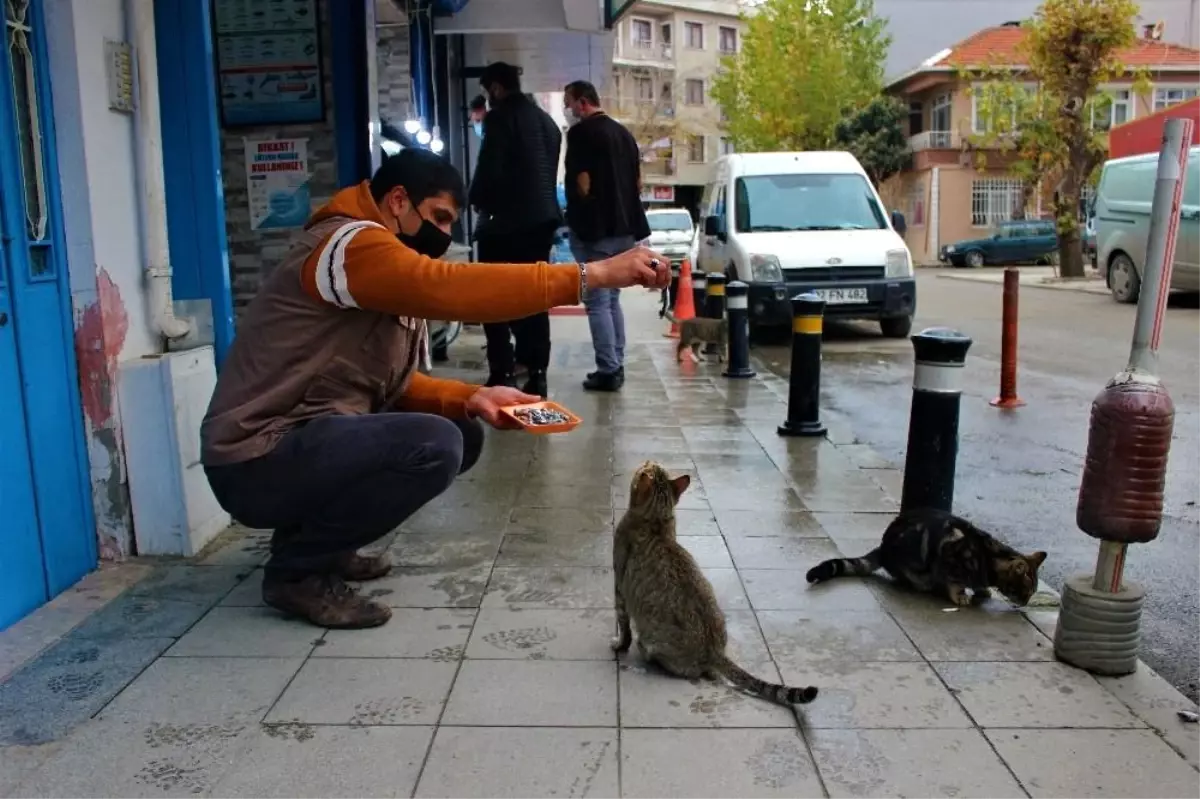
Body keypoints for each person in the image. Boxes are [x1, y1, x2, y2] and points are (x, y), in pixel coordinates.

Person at [201, 147, 667, 629]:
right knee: (433, 445)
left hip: (302, 443)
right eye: (439, 219)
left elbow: (391, 384)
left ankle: (322, 544)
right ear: (398, 200)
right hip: (254, 459)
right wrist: (592, 274)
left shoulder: (377, 261)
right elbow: (447, 287)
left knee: (460, 430)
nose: (445, 236)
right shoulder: (348, 244)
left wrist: (471, 398)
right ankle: (295, 574)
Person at [470, 62, 563, 397]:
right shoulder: (547, 123)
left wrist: (476, 198)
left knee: (492, 294)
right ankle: (536, 370)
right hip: (541, 222)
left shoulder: (500, 118)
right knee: (534, 295)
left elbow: (489, 169)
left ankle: (502, 371)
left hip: (503, 225)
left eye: (486, 92)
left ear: (495, 88)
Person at [563, 80, 651, 392]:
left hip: (596, 230)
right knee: (613, 299)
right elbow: (638, 184)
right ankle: (617, 362)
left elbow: (582, 183)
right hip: (626, 229)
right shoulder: (624, 134)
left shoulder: (581, 134)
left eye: (569, 103)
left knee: (598, 300)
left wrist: (578, 219)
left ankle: (608, 369)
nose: (568, 109)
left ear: (583, 102)